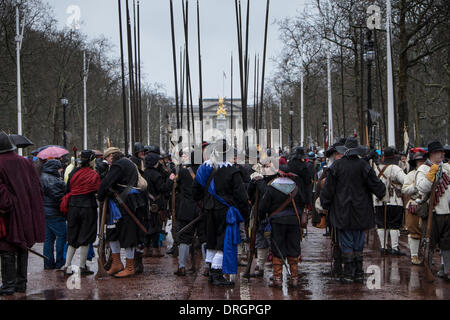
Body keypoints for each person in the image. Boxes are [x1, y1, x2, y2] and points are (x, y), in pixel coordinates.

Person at [320, 137, 386, 284]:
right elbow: (378, 187)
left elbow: (328, 190)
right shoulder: (364, 166)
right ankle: (358, 272)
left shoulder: (336, 167)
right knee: (358, 241)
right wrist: (381, 192)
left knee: (347, 241)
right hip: (361, 211)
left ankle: (349, 273)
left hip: (342, 210)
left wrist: (325, 204)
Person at [193, 139, 249, 286]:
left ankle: (212, 272)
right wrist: (245, 214)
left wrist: (202, 203)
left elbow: (195, 191)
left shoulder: (203, 168)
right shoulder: (232, 171)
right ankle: (217, 274)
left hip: (208, 209)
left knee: (211, 241)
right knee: (222, 243)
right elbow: (241, 196)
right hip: (225, 211)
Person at [0, 132, 45, 295]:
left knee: (7, 248)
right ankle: (21, 283)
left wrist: (7, 204)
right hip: (27, 212)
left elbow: (2, 197)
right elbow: (36, 188)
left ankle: (8, 285)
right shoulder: (25, 162)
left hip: (8, 215)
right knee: (22, 246)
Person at [97, 147, 149, 278]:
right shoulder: (126, 163)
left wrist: (101, 196)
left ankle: (130, 267)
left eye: (108, 158)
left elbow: (106, 183)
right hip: (125, 203)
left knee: (128, 235)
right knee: (113, 233)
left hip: (126, 204)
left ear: (112, 156)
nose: (107, 162)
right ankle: (116, 264)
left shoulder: (119, 165)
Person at [258, 164, 302, 288]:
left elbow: (263, 207)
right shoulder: (296, 188)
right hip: (293, 221)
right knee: (294, 248)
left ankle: (277, 279)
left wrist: (262, 219)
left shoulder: (272, 188)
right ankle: (294, 279)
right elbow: (302, 203)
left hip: (277, 222)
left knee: (277, 249)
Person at [60, 150, 101, 276]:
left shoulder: (73, 172)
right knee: (86, 236)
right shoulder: (93, 174)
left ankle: (67, 265)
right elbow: (98, 189)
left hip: (73, 206)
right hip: (88, 207)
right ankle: (82, 266)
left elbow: (67, 189)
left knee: (72, 236)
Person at [416, 141, 450, 282]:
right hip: (432, 213)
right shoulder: (423, 169)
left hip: (446, 211)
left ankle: (447, 269)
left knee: (448, 243)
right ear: (431, 154)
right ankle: (427, 269)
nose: (442, 154)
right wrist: (431, 175)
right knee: (429, 243)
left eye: (442, 152)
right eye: (439, 152)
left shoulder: (447, 168)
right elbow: (422, 188)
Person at [373, 147, 407, 256]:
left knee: (381, 224)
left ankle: (383, 247)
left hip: (378, 201)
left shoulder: (376, 169)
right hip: (394, 201)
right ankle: (395, 248)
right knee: (394, 224)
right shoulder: (395, 169)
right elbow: (405, 180)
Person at [173, 151, 201, 276]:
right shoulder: (205, 170)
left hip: (186, 208)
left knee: (184, 238)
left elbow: (178, 187)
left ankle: (182, 266)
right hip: (201, 207)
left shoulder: (184, 172)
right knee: (204, 236)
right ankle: (207, 267)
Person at [143, 152, 175, 258]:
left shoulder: (145, 172)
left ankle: (147, 249)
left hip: (146, 202)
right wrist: (170, 180)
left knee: (148, 226)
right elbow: (163, 188)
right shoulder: (156, 175)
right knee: (156, 227)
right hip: (155, 203)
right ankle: (156, 249)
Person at [40, 159, 67, 270]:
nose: (61, 170)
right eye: (60, 168)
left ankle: (48, 263)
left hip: (45, 211)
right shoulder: (52, 180)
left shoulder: (42, 177)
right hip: (55, 213)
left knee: (48, 239)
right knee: (62, 236)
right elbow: (57, 196)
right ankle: (60, 262)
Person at [402, 151, 427, 265]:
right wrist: (416, 186)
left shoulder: (429, 173)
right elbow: (405, 189)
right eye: (419, 161)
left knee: (427, 232)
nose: (421, 163)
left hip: (427, 205)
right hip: (414, 205)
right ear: (415, 162)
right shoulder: (411, 175)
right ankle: (414, 255)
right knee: (414, 231)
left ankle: (424, 255)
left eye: (423, 160)